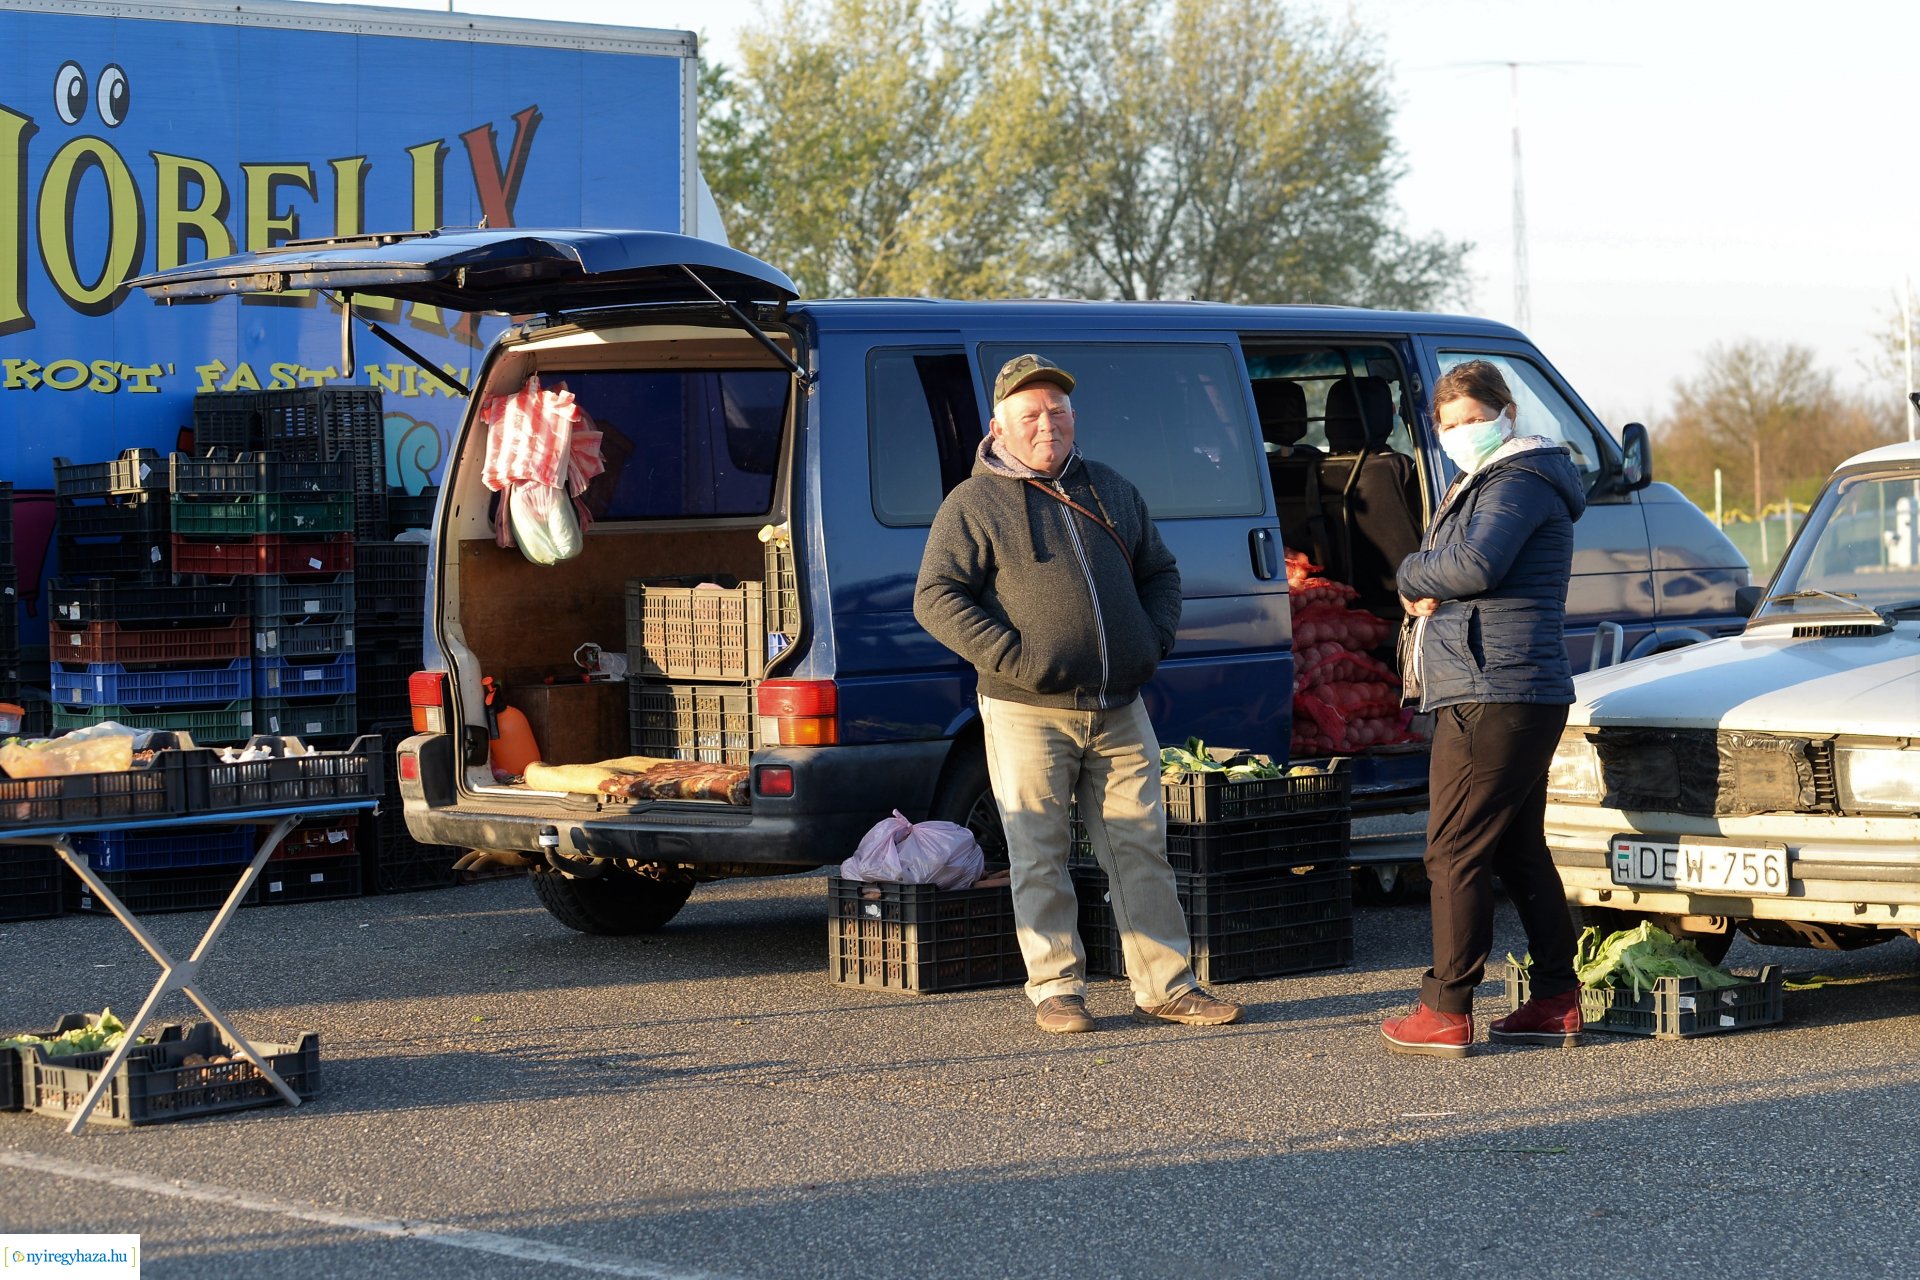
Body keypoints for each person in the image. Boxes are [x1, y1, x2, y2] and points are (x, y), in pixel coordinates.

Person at [914, 353, 1243, 1034]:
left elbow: (1162, 573)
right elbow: (935, 598)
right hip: (1024, 710)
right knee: (1038, 849)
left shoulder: (1111, 490)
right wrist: (1016, 659)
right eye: (1030, 415)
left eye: (1057, 411)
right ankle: (1056, 988)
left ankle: (1167, 987)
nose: (1046, 425)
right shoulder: (973, 504)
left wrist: (1150, 642)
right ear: (997, 425)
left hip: (1120, 706)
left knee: (1141, 846)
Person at [1380, 359, 1588, 1058]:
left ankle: (1445, 1009)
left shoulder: (1519, 480)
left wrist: (1411, 571)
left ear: (1508, 417)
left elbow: (1475, 568)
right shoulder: (1501, 481)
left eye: (1476, 419)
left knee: (1452, 850)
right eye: (1451, 424)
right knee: (1517, 848)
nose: (1464, 433)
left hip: (1493, 688)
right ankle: (1556, 998)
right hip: (1508, 685)